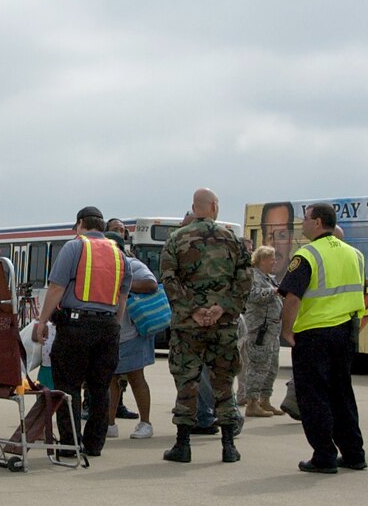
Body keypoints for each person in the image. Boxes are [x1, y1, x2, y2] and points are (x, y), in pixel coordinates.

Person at [31, 208, 140, 457]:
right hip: (108, 328)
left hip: (75, 327)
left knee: (68, 386)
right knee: (100, 388)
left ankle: (70, 444)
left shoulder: (74, 247)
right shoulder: (119, 254)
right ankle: (94, 445)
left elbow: (57, 287)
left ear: (80, 224)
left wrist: (42, 322)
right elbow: (122, 297)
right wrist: (113, 324)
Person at [160, 189, 253, 465]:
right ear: (214, 207)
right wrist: (221, 307)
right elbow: (245, 279)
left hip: (188, 325)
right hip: (223, 324)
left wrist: (194, 310)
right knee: (223, 381)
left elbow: (168, 279)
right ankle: (228, 446)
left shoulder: (176, 239)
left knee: (187, 381)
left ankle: (183, 444)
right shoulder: (232, 240)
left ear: (194, 207)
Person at [278, 202, 368, 473]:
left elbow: (292, 297)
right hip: (346, 331)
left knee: (313, 396)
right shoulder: (356, 254)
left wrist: (286, 330)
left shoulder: (307, 255)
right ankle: (354, 453)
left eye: (305, 219)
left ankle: (324, 455)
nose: (302, 224)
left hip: (315, 334)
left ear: (317, 222)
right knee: (342, 394)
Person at [108, 237, 161, 440]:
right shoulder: (99, 266)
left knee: (136, 377)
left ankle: (145, 423)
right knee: (110, 380)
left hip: (132, 333)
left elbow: (151, 284)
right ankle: (110, 424)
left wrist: (123, 285)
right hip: (112, 333)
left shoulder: (133, 265)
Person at [239, 245, 285, 418]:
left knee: (272, 366)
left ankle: (265, 400)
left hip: (272, 331)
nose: (274, 262)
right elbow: (252, 295)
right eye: (271, 258)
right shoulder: (253, 276)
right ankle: (252, 402)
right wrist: (273, 292)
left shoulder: (268, 278)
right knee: (258, 366)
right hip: (260, 330)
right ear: (262, 260)